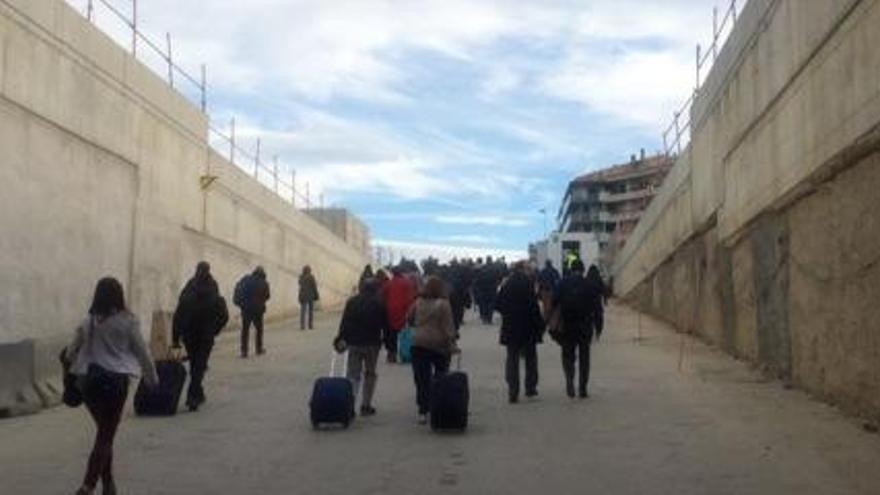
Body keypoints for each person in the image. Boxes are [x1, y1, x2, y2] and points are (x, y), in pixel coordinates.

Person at [66, 277, 159, 495]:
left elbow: (70, 353)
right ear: (119, 296)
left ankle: (109, 485)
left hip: (88, 384)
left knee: (104, 433)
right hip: (115, 384)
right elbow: (142, 352)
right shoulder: (128, 321)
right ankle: (88, 485)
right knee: (105, 436)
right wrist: (152, 378)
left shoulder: (87, 322)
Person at [172, 262, 229, 411]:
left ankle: (197, 393)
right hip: (205, 336)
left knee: (195, 365)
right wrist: (215, 330)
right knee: (200, 365)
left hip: (189, 334)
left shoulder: (189, 288)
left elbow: (178, 314)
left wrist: (175, 337)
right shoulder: (213, 289)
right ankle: (194, 396)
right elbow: (223, 315)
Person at [408, 276, 458, 424]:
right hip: (439, 345)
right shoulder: (444, 304)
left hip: (419, 343)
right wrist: (452, 343)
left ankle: (423, 411)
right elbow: (448, 326)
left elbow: (409, 318)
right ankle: (439, 406)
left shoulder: (418, 302)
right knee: (440, 377)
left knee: (421, 379)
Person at [336, 278, 387, 416]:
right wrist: (387, 342)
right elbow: (384, 324)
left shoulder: (352, 302)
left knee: (353, 375)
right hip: (372, 343)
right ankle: (366, 405)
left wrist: (340, 339)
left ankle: (350, 405)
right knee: (370, 374)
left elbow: (345, 323)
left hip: (354, 343)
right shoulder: (379, 303)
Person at [495, 261, 544, 403]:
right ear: (523, 270)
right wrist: (540, 324)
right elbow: (534, 306)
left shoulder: (507, 284)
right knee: (530, 358)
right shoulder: (528, 284)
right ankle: (530, 387)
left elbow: (497, 304)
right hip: (528, 326)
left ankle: (513, 391)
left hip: (511, 326)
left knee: (512, 358)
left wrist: (508, 313)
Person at [554, 260, 603, 398]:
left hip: (568, 326)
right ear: (583, 270)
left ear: (571, 269)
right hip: (585, 326)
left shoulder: (563, 283)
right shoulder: (589, 284)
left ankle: (569, 380)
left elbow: (554, 301)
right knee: (584, 357)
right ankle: (582, 388)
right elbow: (597, 309)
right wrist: (598, 327)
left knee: (567, 355)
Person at [382, 266, 416, 363]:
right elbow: (411, 297)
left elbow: (382, 296)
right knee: (405, 334)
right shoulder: (407, 283)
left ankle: (391, 354)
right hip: (404, 312)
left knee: (391, 334)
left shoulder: (388, 284)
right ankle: (404, 353)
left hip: (390, 312)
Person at [236, 266, 271, 358]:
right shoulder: (264, 283)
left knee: (245, 330)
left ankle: (244, 351)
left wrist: (241, 303)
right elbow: (267, 296)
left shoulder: (246, 279)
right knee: (259, 329)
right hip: (258, 310)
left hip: (246, 309)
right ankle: (258, 348)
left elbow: (239, 289)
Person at [298, 266, 320, 331]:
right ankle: (310, 325)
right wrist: (317, 295)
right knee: (310, 311)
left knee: (303, 311)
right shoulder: (311, 277)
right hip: (310, 295)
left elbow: (300, 284)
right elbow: (314, 286)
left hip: (302, 296)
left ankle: (302, 325)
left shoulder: (301, 277)